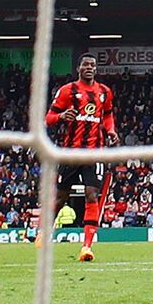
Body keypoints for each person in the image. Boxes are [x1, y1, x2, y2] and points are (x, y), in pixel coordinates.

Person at [46, 54, 119, 262]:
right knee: (60, 197)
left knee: (92, 194)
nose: (90, 68)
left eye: (93, 65)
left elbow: (107, 115)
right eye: (86, 64)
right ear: (79, 68)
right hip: (71, 152)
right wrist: (61, 116)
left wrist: (111, 130)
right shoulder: (67, 90)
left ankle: (87, 246)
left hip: (95, 152)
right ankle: (45, 232)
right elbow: (49, 118)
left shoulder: (105, 92)